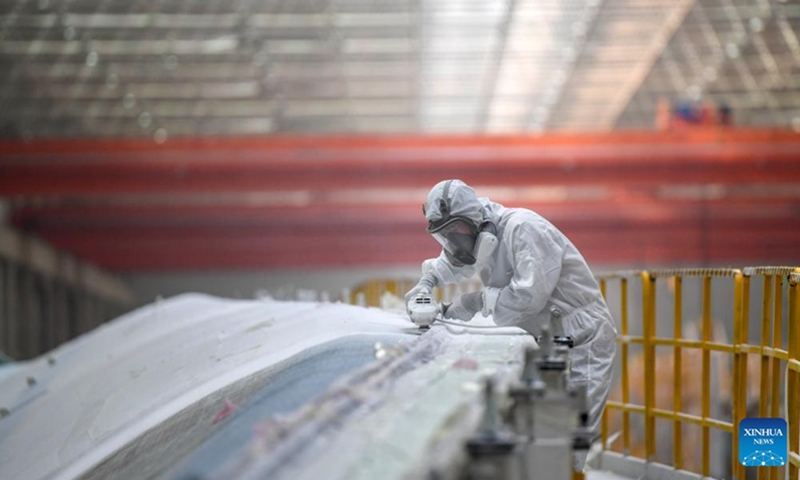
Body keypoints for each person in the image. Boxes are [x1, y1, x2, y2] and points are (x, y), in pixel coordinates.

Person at [404, 179, 617, 472]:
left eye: (455, 233)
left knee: (568, 435)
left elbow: (528, 296)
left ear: (474, 220)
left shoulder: (523, 229)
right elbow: (456, 261)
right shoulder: (481, 234)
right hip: (549, 336)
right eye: (445, 237)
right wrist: (427, 283)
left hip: (583, 336)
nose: (454, 243)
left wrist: (475, 302)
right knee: (544, 427)